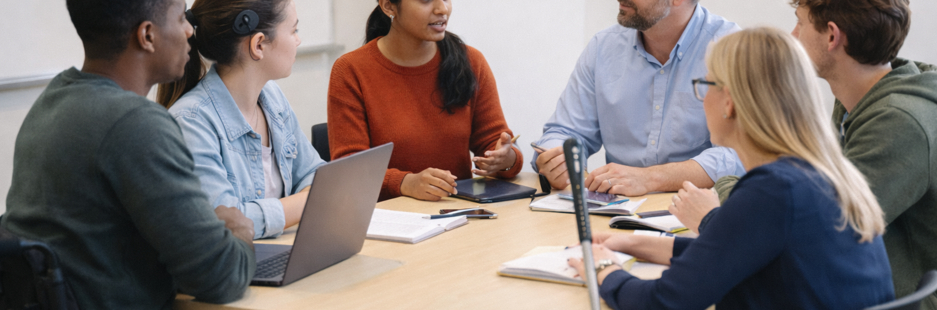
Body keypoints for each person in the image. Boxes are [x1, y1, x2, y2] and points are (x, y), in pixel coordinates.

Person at [567, 27, 894, 309]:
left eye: (704, 84)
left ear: (729, 102)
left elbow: (662, 302)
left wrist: (603, 268)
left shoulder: (773, 189)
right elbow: (726, 253)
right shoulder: (821, 174)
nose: (701, 97)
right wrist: (632, 243)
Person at [685, 0, 937, 305]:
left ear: (832, 36)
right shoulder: (857, 103)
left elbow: (816, 229)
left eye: (800, 22)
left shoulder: (899, 121)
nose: (792, 35)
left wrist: (718, 208)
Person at [1, 0, 256, 309]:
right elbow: (221, 277)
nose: (190, 30)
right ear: (147, 36)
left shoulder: (52, 102)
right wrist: (241, 234)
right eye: (180, 19)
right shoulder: (135, 124)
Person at [532, 0, 744, 197]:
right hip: (615, 211)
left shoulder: (735, 51)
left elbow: (742, 154)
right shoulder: (603, 47)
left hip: (698, 215)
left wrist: (652, 178)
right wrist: (560, 159)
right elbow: (565, 131)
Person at [158, 0, 324, 239]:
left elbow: (314, 173)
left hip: (283, 253)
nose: (298, 40)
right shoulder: (191, 121)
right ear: (258, 45)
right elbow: (225, 225)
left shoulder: (272, 97)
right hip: (235, 272)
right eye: (294, 30)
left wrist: (310, 198)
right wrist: (308, 202)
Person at [327, 0, 523, 202]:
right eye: (426, 0)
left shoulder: (471, 61)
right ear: (388, 6)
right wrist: (406, 183)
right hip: (389, 220)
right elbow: (349, 170)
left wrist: (506, 159)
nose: (443, 9)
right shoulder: (350, 70)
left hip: (460, 214)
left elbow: (495, 145)